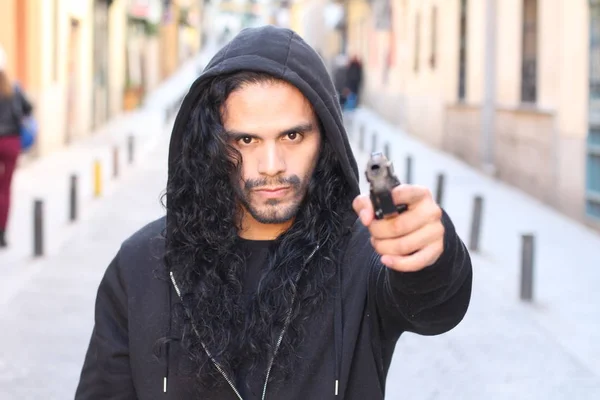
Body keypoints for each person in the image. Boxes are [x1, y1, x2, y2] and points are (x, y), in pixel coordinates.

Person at [75, 26, 472, 400]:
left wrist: (429, 253)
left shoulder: (363, 255)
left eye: (292, 135)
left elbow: (437, 307)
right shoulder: (141, 264)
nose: (271, 165)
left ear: (326, 137)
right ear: (212, 145)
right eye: (246, 139)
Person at [0, 46, 33, 248]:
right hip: (11, 142)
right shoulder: (13, 90)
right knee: (5, 189)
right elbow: (29, 108)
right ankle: (2, 233)